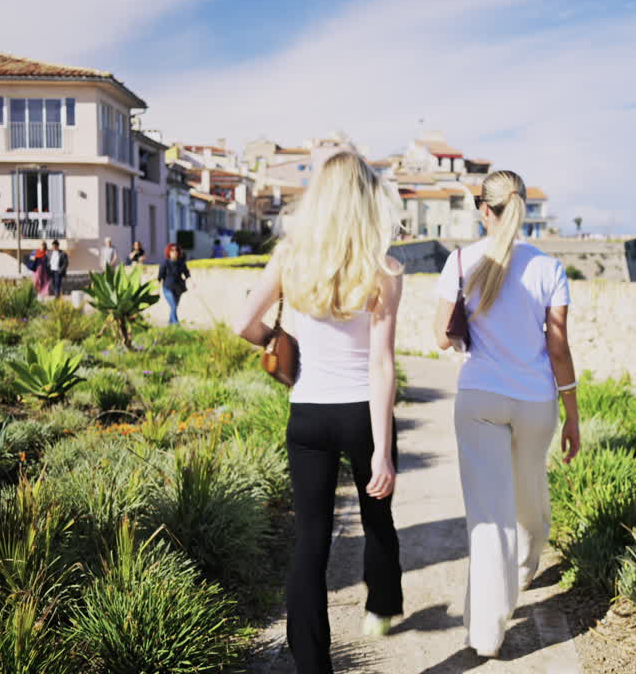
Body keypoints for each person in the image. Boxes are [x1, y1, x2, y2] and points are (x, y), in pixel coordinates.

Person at [234, 151, 404, 674]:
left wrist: (282, 343)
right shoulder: (385, 270)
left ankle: (312, 665)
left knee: (310, 541)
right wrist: (381, 453)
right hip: (361, 412)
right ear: (366, 198)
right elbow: (381, 365)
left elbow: (244, 324)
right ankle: (382, 604)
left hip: (307, 414)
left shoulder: (290, 257)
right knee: (378, 513)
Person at [432, 170, 581, 659]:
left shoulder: (459, 261)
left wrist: (468, 334)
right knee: (529, 504)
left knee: (488, 518)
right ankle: (517, 577)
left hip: (478, 399)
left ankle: (487, 633)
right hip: (535, 402)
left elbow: (440, 337)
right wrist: (573, 416)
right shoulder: (547, 267)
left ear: (484, 208)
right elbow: (558, 351)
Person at [157, 243, 190, 325]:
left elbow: (186, 273)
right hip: (167, 288)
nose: (174, 252)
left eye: (176, 250)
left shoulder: (181, 262)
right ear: (169, 252)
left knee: (174, 308)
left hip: (178, 288)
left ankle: (170, 325)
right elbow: (160, 276)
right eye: (172, 250)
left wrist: (191, 282)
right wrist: (157, 290)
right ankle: (176, 324)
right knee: (173, 305)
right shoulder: (165, 263)